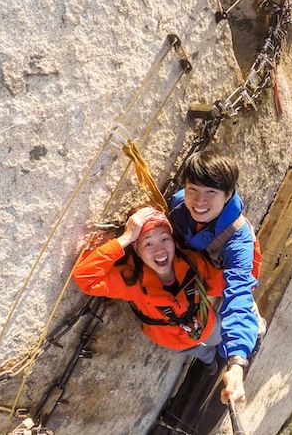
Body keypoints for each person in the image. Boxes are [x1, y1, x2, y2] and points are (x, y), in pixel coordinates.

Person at [72, 207, 225, 366]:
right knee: (201, 351)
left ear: (173, 241)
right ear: (137, 250)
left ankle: (222, 353)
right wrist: (125, 238)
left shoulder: (192, 262)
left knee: (220, 337)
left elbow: (227, 284)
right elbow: (85, 276)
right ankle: (209, 359)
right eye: (148, 243)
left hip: (207, 324)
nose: (159, 250)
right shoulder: (132, 282)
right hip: (172, 339)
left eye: (165, 239)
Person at [168, 150, 262, 405]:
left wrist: (237, 363)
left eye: (210, 193)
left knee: (230, 315)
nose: (199, 201)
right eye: (193, 189)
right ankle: (209, 358)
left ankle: (244, 336)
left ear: (228, 195)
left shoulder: (239, 241)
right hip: (198, 272)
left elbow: (239, 292)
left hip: (223, 280)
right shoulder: (178, 205)